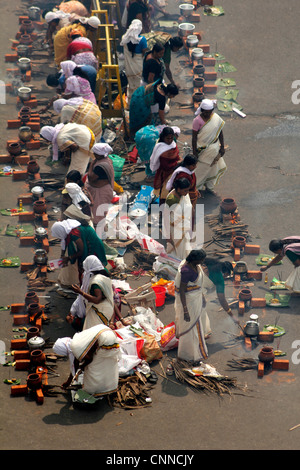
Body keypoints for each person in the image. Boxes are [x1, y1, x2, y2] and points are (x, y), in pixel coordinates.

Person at [174, 249, 215, 364]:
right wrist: (185, 310)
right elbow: (182, 290)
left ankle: (195, 350)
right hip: (189, 302)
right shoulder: (186, 270)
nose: (203, 262)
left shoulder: (195, 266)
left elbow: (198, 285)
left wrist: (202, 297)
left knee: (197, 326)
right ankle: (188, 354)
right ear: (195, 259)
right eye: (201, 259)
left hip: (196, 298)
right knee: (191, 328)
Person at [70, 324, 121, 396]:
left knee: (94, 368)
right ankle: (110, 387)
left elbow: (88, 359)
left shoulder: (76, 347)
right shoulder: (79, 338)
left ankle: (95, 390)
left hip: (105, 341)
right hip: (110, 335)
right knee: (109, 365)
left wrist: (83, 367)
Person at [51, 218, 108, 283]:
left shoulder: (74, 233)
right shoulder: (66, 228)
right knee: (87, 267)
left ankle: (101, 283)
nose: (58, 238)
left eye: (58, 235)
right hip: (87, 243)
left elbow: (82, 251)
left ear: (60, 231)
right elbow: (64, 242)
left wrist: (69, 258)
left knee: (93, 266)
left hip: (93, 245)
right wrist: (62, 256)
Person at [192, 99, 226, 194]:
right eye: (205, 112)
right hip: (202, 150)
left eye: (209, 112)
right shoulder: (197, 121)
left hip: (214, 148)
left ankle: (209, 187)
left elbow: (220, 133)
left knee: (213, 168)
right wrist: (195, 152)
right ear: (202, 110)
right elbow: (194, 138)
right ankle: (196, 189)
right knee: (201, 169)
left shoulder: (216, 118)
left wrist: (222, 147)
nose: (207, 114)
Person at [84, 143, 115, 233]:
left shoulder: (100, 166)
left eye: (95, 153)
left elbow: (91, 177)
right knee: (98, 213)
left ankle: (99, 235)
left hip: (100, 192)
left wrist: (91, 165)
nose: (94, 154)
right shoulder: (105, 160)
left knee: (97, 215)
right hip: (100, 190)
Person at [163, 178, 193, 260]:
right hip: (176, 228)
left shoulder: (182, 194)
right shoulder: (172, 199)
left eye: (188, 190)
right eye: (185, 191)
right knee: (179, 250)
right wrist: (168, 235)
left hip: (182, 226)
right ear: (178, 189)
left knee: (184, 247)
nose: (187, 193)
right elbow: (165, 216)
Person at [150, 126, 181, 205]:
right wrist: (179, 163)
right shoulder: (161, 148)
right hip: (165, 173)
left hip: (174, 170)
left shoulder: (173, 144)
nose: (170, 140)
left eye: (171, 138)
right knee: (165, 192)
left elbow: (177, 156)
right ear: (163, 137)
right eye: (168, 138)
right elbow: (166, 165)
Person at [203, 258, 240, 323]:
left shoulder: (212, 264)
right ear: (225, 273)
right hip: (195, 290)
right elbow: (222, 300)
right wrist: (232, 316)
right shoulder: (220, 279)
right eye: (227, 276)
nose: (226, 277)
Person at [120, 19, 147, 103]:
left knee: (131, 84)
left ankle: (130, 102)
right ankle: (137, 103)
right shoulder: (142, 39)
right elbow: (144, 52)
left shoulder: (124, 38)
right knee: (138, 85)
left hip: (128, 67)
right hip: (138, 65)